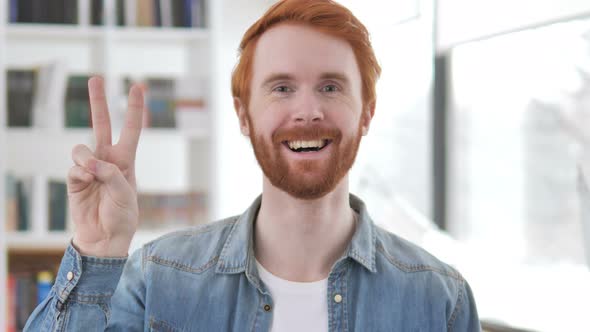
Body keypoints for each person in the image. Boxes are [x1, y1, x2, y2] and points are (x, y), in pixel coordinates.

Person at [25, 0, 480, 331]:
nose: (307, 111)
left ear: (366, 113)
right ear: (244, 115)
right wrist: (96, 248)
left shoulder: (440, 300)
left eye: (330, 87)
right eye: (282, 88)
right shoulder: (157, 278)